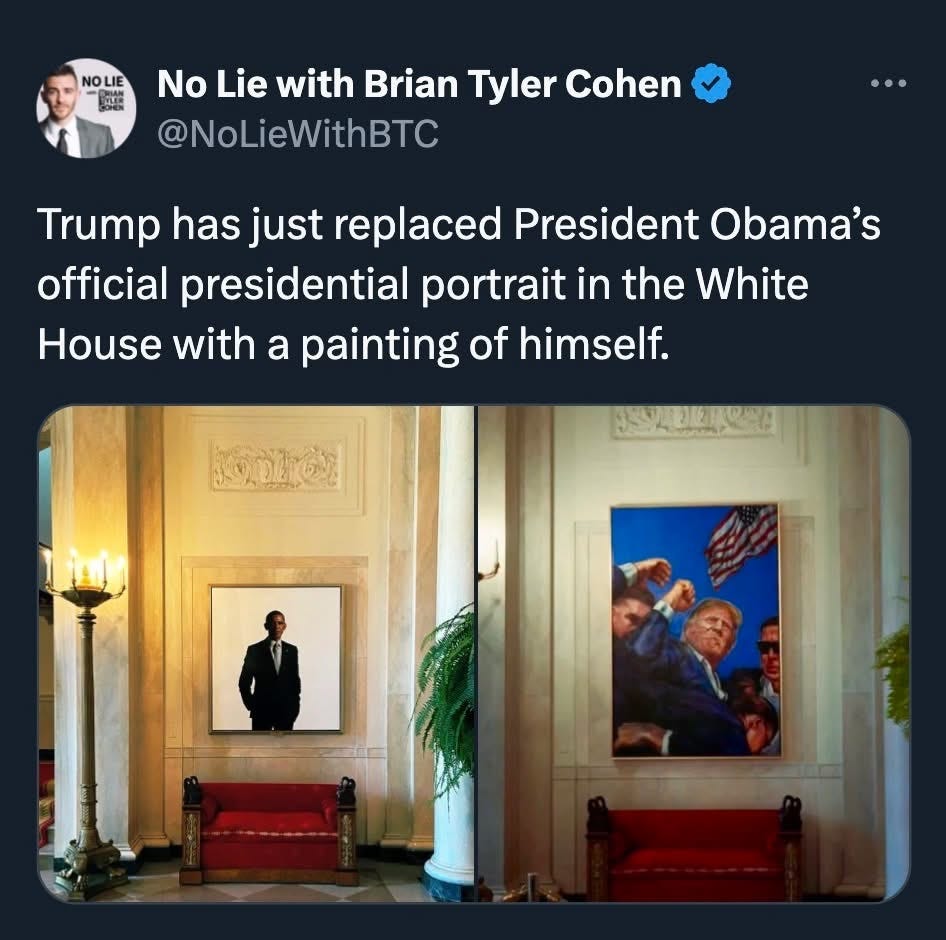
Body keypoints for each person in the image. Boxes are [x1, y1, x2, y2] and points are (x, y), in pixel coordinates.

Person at [614, 582, 750, 756]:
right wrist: (670, 601)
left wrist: (668, 741)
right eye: (711, 620)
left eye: (726, 626)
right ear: (688, 628)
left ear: (731, 645)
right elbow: (639, 654)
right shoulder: (673, 653)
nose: (718, 628)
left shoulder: (725, 691)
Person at [238, 610, 301, 730]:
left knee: (284, 748)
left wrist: (294, 708)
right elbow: (244, 682)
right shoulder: (254, 650)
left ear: (284, 626)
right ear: (266, 626)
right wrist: (252, 706)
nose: (277, 626)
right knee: (260, 748)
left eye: (280, 623)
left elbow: (295, 682)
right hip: (261, 713)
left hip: (285, 714)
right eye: (273, 623)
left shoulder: (292, 650)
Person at [39, 64, 115, 158]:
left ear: (77, 95)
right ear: (43, 96)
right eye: (52, 92)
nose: (60, 100)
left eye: (67, 91)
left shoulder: (102, 136)